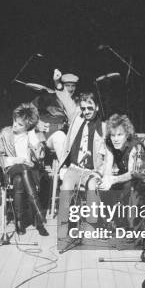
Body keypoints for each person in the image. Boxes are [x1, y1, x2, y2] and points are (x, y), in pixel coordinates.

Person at [57, 92, 111, 234]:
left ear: (97, 108)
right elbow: (67, 101)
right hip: (74, 168)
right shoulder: (76, 119)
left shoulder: (104, 128)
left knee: (92, 187)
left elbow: (108, 155)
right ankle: (66, 225)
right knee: (66, 188)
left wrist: (103, 173)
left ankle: (91, 224)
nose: (86, 111)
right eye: (83, 108)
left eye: (90, 108)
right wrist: (58, 85)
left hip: (92, 170)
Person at [0, 103, 49, 236]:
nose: (14, 125)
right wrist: (16, 160)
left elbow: (40, 158)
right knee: (23, 169)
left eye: (20, 125)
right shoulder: (4, 133)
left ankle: (19, 222)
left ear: (28, 126)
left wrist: (32, 135)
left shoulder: (35, 134)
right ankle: (38, 212)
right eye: (14, 121)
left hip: (31, 173)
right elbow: (1, 160)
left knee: (20, 180)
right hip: (11, 169)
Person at [100, 114, 145, 228]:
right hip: (122, 175)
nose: (115, 139)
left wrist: (113, 180)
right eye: (113, 135)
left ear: (127, 134)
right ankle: (108, 221)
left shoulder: (134, 145)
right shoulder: (109, 142)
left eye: (120, 135)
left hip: (139, 178)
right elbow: (108, 164)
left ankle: (129, 224)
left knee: (127, 186)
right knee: (102, 186)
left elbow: (133, 173)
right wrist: (106, 180)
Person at [32, 70, 79, 161]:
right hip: (46, 136)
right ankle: (64, 168)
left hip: (67, 138)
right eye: (67, 86)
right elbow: (26, 111)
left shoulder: (78, 102)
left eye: (73, 86)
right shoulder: (49, 97)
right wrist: (37, 123)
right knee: (59, 137)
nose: (70, 89)